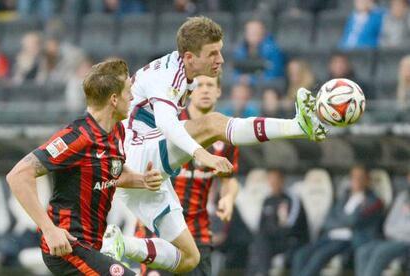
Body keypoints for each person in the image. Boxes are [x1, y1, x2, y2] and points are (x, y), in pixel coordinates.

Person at [101, 16, 327, 274]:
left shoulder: (185, 75)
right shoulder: (167, 76)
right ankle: (299, 126)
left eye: (219, 51)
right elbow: (166, 123)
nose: (220, 59)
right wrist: (202, 154)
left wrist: (228, 195)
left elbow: (225, 173)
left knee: (188, 257)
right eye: (212, 53)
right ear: (189, 57)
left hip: (151, 175)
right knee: (213, 124)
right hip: (134, 154)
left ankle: (121, 244)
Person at [6, 59, 163, 275]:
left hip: (92, 246)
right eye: (129, 91)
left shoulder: (117, 131)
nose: (133, 97)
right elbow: (18, 175)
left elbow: (112, 173)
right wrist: (49, 229)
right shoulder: (77, 137)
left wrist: (142, 180)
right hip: (67, 246)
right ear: (114, 99)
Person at [140, 74, 240, 276]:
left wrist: (228, 197)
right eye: (200, 85)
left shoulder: (225, 136)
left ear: (218, 91)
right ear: (191, 91)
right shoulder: (169, 126)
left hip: (199, 232)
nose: (205, 90)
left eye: (210, 85)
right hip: (162, 230)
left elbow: (230, 179)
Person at [291, 164, 384, 276]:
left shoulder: (373, 201)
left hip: (350, 239)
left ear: (367, 180)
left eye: (360, 177)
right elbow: (327, 220)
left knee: (319, 256)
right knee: (300, 255)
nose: (356, 180)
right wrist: (343, 221)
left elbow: (354, 220)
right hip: (330, 236)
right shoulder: (343, 198)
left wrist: (340, 220)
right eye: (353, 177)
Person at [246, 168, 309, 276]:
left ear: (282, 180)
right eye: (270, 180)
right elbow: (261, 225)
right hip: (272, 241)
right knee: (257, 246)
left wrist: (273, 232)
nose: (273, 183)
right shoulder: (268, 200)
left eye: (275, 180)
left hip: (292, 240)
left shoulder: (292, 199)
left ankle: (262, 273)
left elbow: (291, 226)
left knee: (261, 245)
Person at [355, 169, 410, 276]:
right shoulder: (402, 197)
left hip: (406, 242)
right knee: (363, 251)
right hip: (392, 239)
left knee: (380, 252)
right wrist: (397, 232)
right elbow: (388, 224)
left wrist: (399, 232)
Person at [233, 19, 285, 86]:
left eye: (256, 32)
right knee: (239, 90)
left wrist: (251, 79)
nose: (253, 36)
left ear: (263, 33)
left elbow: (274, 74)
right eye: (250, 33)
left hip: (269, 86)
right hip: (246, 85)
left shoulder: (274, 50)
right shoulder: (240, 50)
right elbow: (236, 72)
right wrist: (239, 79)